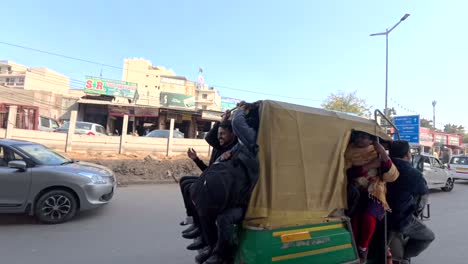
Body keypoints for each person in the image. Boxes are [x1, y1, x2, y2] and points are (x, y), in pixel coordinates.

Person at [190, 101, 260, 264]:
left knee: (223, 218)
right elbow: (218, 157)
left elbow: (237, 122)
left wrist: (242, 109)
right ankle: (211, 246)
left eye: (223, 133)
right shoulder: (239, 146)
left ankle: (223, 255)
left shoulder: (252, 142)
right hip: (234, 193)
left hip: (244, 200)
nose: (220, 137)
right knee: (202, 200)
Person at [345, 131, 399, 263]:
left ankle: (363, 248)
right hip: (356, 190)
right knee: (355, 220)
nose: (359, 139)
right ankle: (357, 249)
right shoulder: (348, 152)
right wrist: (369, 166)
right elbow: (348, 173)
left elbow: (389, 170)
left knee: (368, 217)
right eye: (357, 137)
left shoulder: (377, 151)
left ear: (371, 140)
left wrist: (382, 153)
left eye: (363, 137)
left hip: (375, 191)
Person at [387, 140, 435, 263]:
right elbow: (423, 197)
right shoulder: (413, 173)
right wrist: (417, 212)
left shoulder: (380, 166)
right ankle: (405, 256)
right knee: (428, 237)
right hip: (400, 220)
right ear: (408, 154)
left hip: (381, 217)